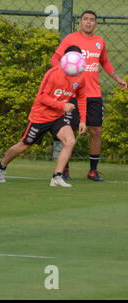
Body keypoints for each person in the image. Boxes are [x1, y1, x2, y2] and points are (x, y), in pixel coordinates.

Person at [0, 45, 87, 188]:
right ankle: (1, 166)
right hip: (41, 116)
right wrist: (62, 106)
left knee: (70, 141)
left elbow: (81, 97)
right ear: (64, 59)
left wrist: (82, 120)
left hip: (58, 117)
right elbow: (42, 97)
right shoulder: (52, 74)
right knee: (24, 145)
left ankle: (57, 176)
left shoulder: (80, 76)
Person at [50, 10, 127, 181]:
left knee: (96, 130)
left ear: (96, 23)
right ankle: (64, 169)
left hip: (94, 94)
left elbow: (105, 62)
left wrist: (117, 79)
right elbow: (55, 59)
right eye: (85, 19)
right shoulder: (70, 39)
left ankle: (93, 171)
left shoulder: (100, 41)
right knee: (70, 130)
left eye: (92, 20)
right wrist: (62, 74)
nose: (88, 22)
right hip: (73, 93)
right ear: (80, 22)